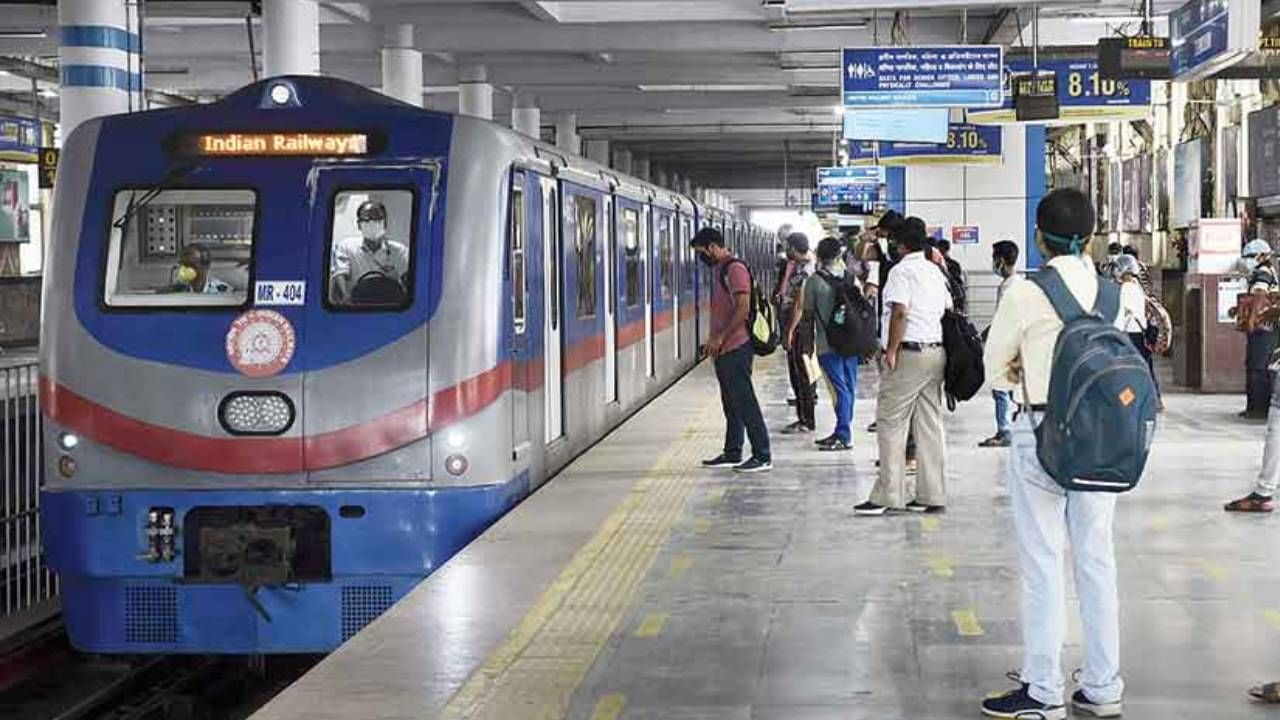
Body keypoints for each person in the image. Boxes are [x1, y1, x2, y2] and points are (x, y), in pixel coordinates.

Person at [981, 188, 1124, 720]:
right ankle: (1104, 688)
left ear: (1039, 238)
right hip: (1104, 439)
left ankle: (1043, 689)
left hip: (1040, 432)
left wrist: (1022, 370)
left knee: (1043, 562)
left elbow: (996, 369)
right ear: (1089, 238)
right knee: (1096, 558)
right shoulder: (1116, 294)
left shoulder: (1023, 291)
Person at [854, 219, 951, 516]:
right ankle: (931, 494)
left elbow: (899, 313)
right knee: (929, 424)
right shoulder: (934, 271)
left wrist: (892, 350)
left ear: (900, 244)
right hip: (936, 352)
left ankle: (888, 494)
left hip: (908, 354)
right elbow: (947, 306)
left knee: (891, 422)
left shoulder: (901, 271)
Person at [692, 227, 772, 473]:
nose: (701, 258)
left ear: (713, 247)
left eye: (701, 252)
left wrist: (721, 338)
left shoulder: (734, 269)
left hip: (736, 346)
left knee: (745, 401)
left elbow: (743, 308)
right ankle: (733, 451)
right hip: (725, 348)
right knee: (732, 403)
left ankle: (762, 455)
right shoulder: (720, 269)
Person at [805, 237, 861, 451]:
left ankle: (843, 434)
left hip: (827, 345)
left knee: (839, 390)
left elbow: (807, 317)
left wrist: (807, 344)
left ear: (818, 255)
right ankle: (843, 430)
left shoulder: (814, 282)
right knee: (848, 388)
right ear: (839, 256)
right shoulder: (850, 278)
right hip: (851, 343)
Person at [979, 240, 1020, 448]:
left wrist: (985, 337)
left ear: (1001, 261)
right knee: (1012, 387)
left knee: (1001, 388)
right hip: (1016, 343)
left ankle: (1004, 431)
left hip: (1007, 345)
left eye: (994, 259)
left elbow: (1002, 320)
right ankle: (1018, 423)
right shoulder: (1018, 283)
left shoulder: (1008, 287)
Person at [330, 200, 410, 304]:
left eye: (377, 218)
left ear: (385, 223)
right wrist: (347, 299)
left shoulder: (399, 251)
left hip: (390, 308)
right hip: (357, 309)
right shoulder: (346, 247)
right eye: (367, 219)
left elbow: (409, 281)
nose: (372, 222)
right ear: (359, 224)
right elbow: (340, 276)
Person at [780, 233, 818, 434]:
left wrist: (789, 331)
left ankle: (806, 420)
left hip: (801, 326)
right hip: (800, 325)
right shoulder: (802, 265)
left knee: (801, 373)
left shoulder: (806, 270)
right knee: (799, 372)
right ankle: (804, 417)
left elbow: (799, 304)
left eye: (788, 247)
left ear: (794, 248)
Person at [1240, 239, 1277, 420]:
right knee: (1257, 365)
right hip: (1267, 327)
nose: (1247, 260)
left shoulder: (1262, 272)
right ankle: (1255, 406)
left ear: (1262, 256)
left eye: (1250, 256)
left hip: (1264, 328)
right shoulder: (1266, 271)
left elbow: (1260, 296)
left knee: (1258, 367)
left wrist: (1252, 321)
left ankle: (1259, 409)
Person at [935, 238, 968, 314]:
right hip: (954, 298)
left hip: (942, 298)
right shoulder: (955, 264)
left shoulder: (936, 264)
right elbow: (958, 282)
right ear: (948, 249)